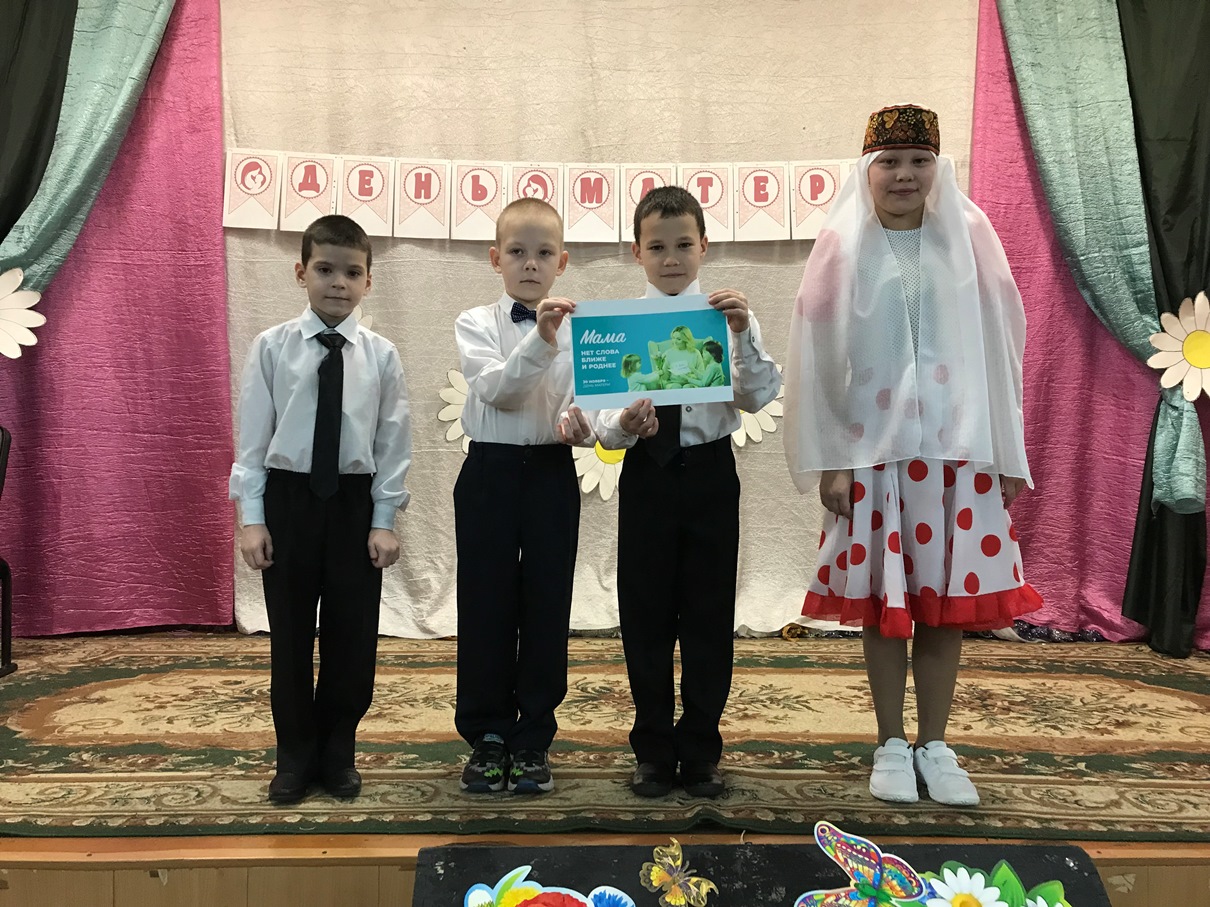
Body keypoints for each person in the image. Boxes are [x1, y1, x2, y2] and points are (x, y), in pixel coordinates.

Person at [783, 104, 1042, 807]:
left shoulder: (970, 237)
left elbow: (1003, 346)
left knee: (943, 606)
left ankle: (935, 743)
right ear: (866, 168)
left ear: (938, 166)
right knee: (885, 605)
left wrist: (1006, 450)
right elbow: (818, 360)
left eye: (918, 161)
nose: (904, 175)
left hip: (958, 454)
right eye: (889, 162)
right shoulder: (842, 245)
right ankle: (890, 742)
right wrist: (832, 457)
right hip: (875, 453)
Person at [586, 186, 781, 799]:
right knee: (644, 614)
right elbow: (601, 422)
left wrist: (743, 334)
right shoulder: (617, 328)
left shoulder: (728, 318)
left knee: (708, 614)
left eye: (683, 245)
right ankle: (651, 749)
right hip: (647, 473)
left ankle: (700, 750)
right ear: (636, 252)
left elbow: (758, 396)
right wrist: (623, 425)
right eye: (657, 247)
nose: (671, 259)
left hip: (710, 474)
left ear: (704, 247)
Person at [230, 214, 412, 804]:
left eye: (352, 273)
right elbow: (253, 440)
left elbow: (393, 443)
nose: (338, 282)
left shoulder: (382, 356)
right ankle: (294, 756)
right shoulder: (272, 347)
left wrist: (384, 520)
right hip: (288, 501)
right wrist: (252, 517)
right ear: (301, 272)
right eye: (325, 269)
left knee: (351, 638)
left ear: (369, 281)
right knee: (289, 636)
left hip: (354, 505)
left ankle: (338, 752)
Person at [453, 197, 593, 795]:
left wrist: (590, 426)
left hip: (551, 473)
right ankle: (487, 735)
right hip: (489, 471)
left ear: (562, 261)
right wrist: (540, 338)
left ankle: (533, 738)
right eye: (517, 252)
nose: (530, 263)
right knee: (484, 601)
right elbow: (498, 391)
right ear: (496, 259)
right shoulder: (475, 323)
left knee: (546, 603)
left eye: (543, 253)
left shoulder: (585, 330)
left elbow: (589, 403)